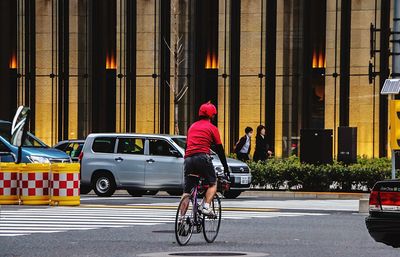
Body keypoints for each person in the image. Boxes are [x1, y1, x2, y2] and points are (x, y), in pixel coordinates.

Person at [182, 102, 230, 216]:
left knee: (186, 192)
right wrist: (225, 166)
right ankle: (206, 207)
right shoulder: (212, 128)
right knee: (213, 183)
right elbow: (219, 149)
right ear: (212, 115)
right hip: (202, 157)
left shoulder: (192, 126)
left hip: (188, 159)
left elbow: (187, 145)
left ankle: (181, 220)